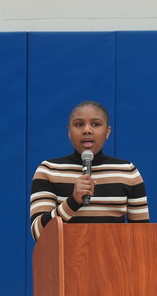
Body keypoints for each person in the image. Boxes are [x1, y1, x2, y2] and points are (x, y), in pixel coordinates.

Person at [30, 101, 150, 241]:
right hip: (64, 261)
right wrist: (73, 201)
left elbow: (143, 236)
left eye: (95, 124)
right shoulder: (49, 170)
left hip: (114, 261)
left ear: (107, 132)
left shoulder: (127, 172)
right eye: (79, 124)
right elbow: (39, 233)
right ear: (69, 132)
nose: (87, 130)